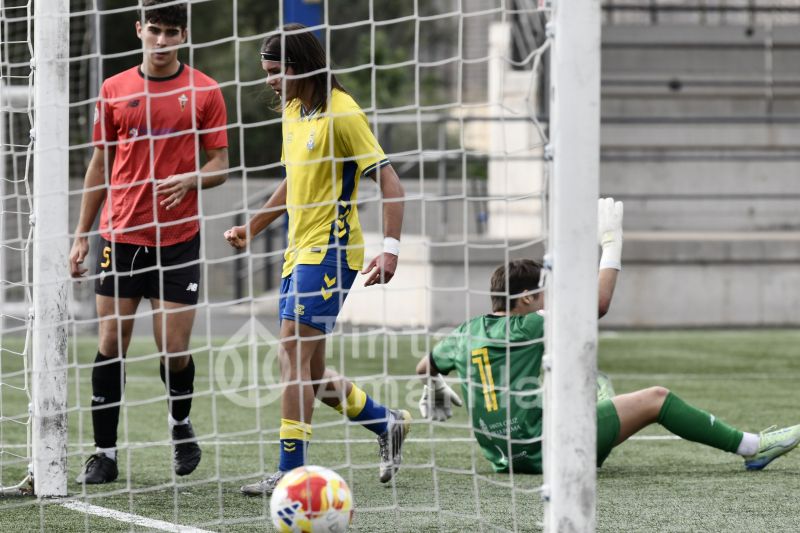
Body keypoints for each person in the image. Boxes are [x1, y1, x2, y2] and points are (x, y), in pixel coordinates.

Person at [416, 199, 800, 474]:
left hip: (503, 459)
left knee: (584, 383)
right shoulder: (532, 323)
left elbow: (424, 366)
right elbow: (598, 305)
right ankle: (755, 446)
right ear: (528, 298)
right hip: (550, 451)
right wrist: (612, 245)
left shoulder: (464, 333)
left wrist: (434, 387)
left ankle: (597, 401)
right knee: (657, 399)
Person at [224, 24, 409, 496]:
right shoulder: (292, 110)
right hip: (297, 251)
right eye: (265, 72)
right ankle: (386, 422)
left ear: (301, 67)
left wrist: (390, 250)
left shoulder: (342, 113)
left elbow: (391, 183)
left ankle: (291, 472)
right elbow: (292, 181)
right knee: (308, 370)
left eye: (275, 71)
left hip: (329, 252)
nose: (269, 81)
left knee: (290, 352)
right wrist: (252, 227)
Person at [69, 0, 229, 484]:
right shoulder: (114, 89)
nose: (161, 41)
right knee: (111, 341)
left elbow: (220, 164)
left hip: (179, 239)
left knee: (173, 349)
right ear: (139, 30)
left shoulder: (206, 90)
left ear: (184, 34)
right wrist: (81, 234)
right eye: (154, 31)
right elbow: (100, 165)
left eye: (171, 33)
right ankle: (104, 455)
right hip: (120, 236)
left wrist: (192, 181)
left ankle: (180, 426)